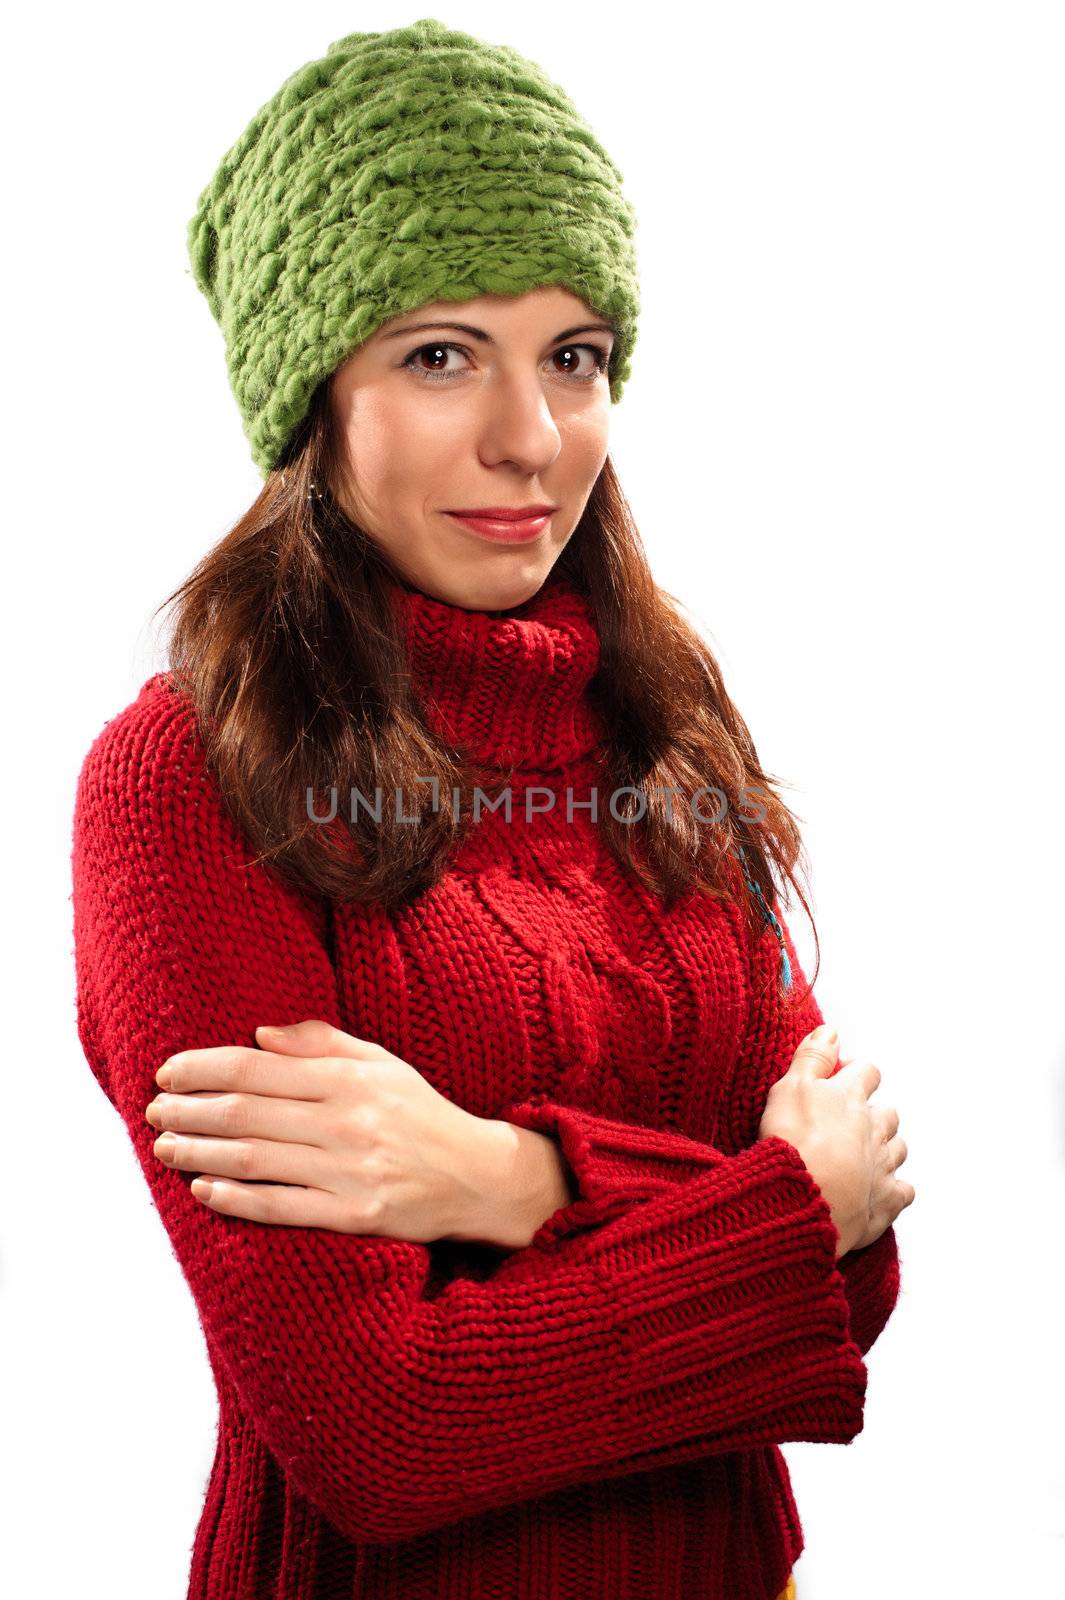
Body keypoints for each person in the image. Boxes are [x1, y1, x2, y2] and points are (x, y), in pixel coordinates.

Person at [70, 19, 914, 1600]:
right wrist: (773, 1218)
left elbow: (859, 1290)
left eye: (575, 356)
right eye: (440, 354)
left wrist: (505, 1180)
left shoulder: (662, 738)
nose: (531, 439)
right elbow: (382, 1433)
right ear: (312, 393)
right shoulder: (189, 785)